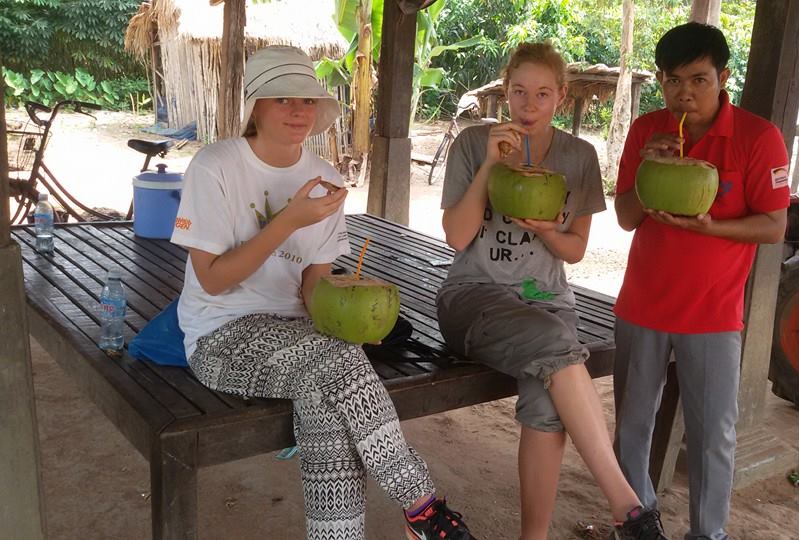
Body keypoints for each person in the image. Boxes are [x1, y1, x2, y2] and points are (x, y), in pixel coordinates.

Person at [170, 45, 475, 540]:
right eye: (283, 99)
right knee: (338, 366)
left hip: (300, 341)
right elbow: (211, 279)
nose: (299, 111)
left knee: (328, 390)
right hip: (217, 338)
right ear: (255, 107)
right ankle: (421, 505)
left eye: (307, 100)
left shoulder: (326, 180)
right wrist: (287, 220)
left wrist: (352, 319)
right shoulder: (215, 167)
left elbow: (313, 282)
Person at [436, 42, 666, 540]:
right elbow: (456, 237)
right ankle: (628, 506)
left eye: (542, 94)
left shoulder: (578, 157)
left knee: (546, 400)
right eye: (519, 92)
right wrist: (487, 171)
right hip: (474, 296)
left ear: (561, 97)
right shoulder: (475, 143)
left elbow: (575, 250)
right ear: (506, 91)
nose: (528, 105)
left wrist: (542, 228)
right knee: (558, 349)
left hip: (546, 300)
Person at [612, 23, 791, 540]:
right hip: (642, 304)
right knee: (631, 429)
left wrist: (714, 226)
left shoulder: (758, 138)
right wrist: (649, 176)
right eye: (672, 81)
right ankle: (638, 522)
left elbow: (774, 226)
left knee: (714, 434)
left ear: (723, 77)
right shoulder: (647, 131)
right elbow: (625, 218)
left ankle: (707, 533)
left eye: (698, 79)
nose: (684, 93)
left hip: (712, 314)